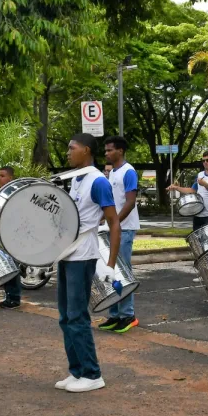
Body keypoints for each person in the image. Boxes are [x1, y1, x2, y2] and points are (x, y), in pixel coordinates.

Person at [55, 133, 122, 393]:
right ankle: (77, 371)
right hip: (67, 254)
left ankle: (93, 374)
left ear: (86, 150)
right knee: (65, 317)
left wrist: (110, 263)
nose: (68, 152)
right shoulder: (76, 180)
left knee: (77, 316)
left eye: (72, 148)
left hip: (83, 257)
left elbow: (114, 222)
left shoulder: (97, 181)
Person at [99, 136, 140, 333]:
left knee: (123, 272)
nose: (106, 153)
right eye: (105, 150)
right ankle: (114, 315)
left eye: (110, 150)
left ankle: (128, 315)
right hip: (112, 229)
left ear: (121, 151)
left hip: (124, 229)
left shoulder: (128, 171)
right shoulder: (112, 173)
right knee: (110, 271)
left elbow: (130, 202)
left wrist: (115, 222)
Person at [169, 150, 208, 231]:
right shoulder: (200, 175)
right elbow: (192, 190)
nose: (205, 162)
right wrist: (176, 188)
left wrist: (205, 184)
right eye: (203, 160)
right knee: (198, 241)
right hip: (198, 214)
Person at [0, 165, 23, 309]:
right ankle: (8, 296)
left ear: (11, 178)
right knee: (6, 266)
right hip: (0, 235)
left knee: (12, 267)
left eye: (2, 176)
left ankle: (15, 298)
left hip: (13, 236)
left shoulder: (14, 193)